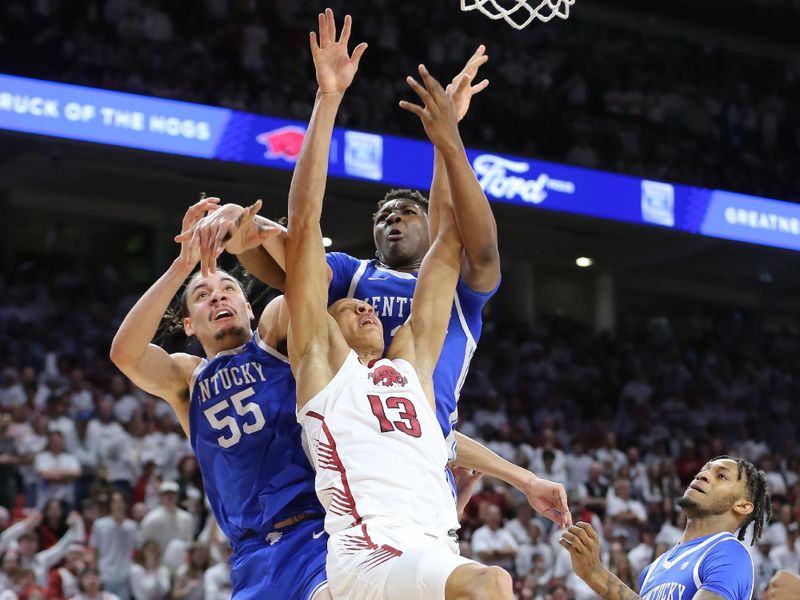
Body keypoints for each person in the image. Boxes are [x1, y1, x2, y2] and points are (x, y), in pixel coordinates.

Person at [284, 9, 515, 597]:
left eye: (364, 310)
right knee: (492, 584)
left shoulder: (409, 363)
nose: (362, 310)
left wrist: (447, 140)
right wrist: (328, 98)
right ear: (325, 325)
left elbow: (448, 243)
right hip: (372, 546)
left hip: (431, 541)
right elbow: (304, 223)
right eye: (347, 310)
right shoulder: (320, 367)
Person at [110, 197, 330, 600]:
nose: (217, 297)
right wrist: (183, 265)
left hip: (316, 533)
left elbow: (313, 281)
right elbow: (125, 353)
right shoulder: (187, 378)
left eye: (227, 288)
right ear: (190, 325)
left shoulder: (275, 337)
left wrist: (245, 222)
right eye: (202, 295)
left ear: (248, 307)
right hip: (250, 556)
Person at [560, 456, 771, 600]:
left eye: (721, 476)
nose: (702, 475)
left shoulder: (729, 554)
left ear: (743, 506)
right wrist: (591, 573)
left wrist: (595, 574)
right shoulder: (653, 569)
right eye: (703, 471)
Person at [89, 491, 137, 599]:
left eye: (120, 502)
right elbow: (94, 551)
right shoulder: (99, 525)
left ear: (125, 504)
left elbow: (137, 550)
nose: (118, 505)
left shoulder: (132, 526)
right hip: (105, 576)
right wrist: (94, 573)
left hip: (124, 577)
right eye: (115, 502)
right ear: (110, 504)